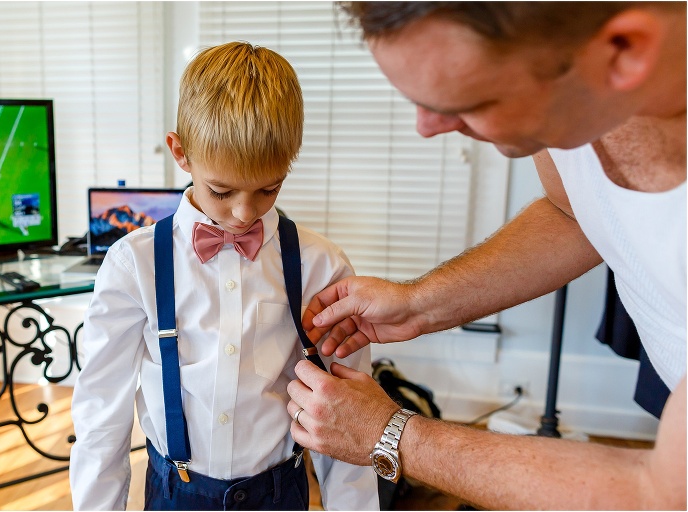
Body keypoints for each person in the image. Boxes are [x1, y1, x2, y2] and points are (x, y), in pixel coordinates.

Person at [286, 3, 686, 510]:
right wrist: (418, 304)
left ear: (625, 50)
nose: (426, 128)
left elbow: (663, 493)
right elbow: (574, 214)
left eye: (467, 101)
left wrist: (392, 436)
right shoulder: (574, 89)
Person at [69, 41, 379, 511]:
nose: (243, 212)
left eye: (268, 189)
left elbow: (350, 417)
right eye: (221, 190)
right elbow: (100, 412)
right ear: (181, 153)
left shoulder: (321, 265)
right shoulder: (134, 264)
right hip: (175, 493)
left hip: (281, 491)